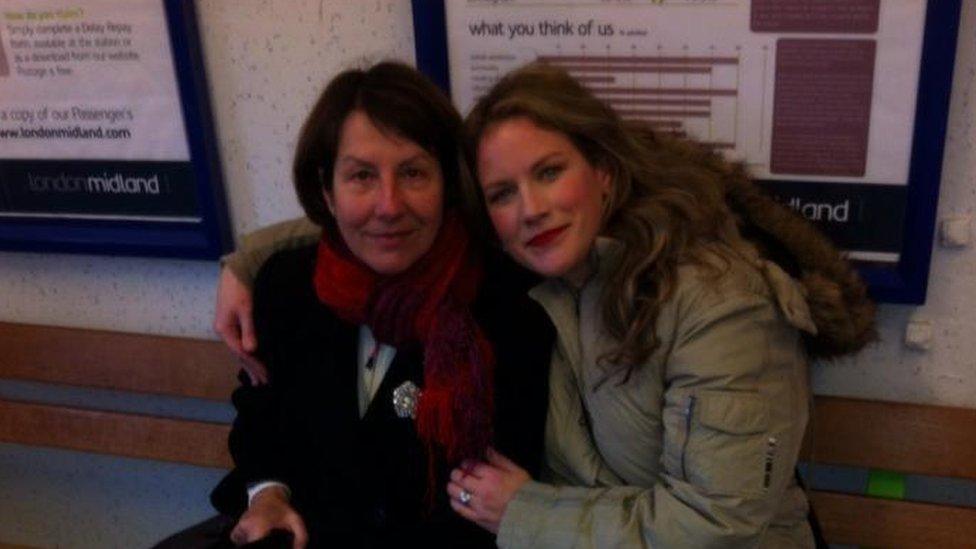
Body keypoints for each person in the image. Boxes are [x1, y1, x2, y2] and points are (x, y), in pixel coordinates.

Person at [213, 63, 875, 547]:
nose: (530, 208)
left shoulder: (714, 300)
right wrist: (245, 260)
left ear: (605, 172)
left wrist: (527, 512)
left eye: (550, 171)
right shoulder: (536, 269)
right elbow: (379, 230)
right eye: (503, 192)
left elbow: (719, 520)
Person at [184, 61, 553, 548]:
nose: (389, 205)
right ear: (326, 190)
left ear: (449, 184)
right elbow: (261, 420)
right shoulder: (286, 286)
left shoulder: (509, 302)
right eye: (361, 176)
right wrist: (266, 494)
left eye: (414, 173)